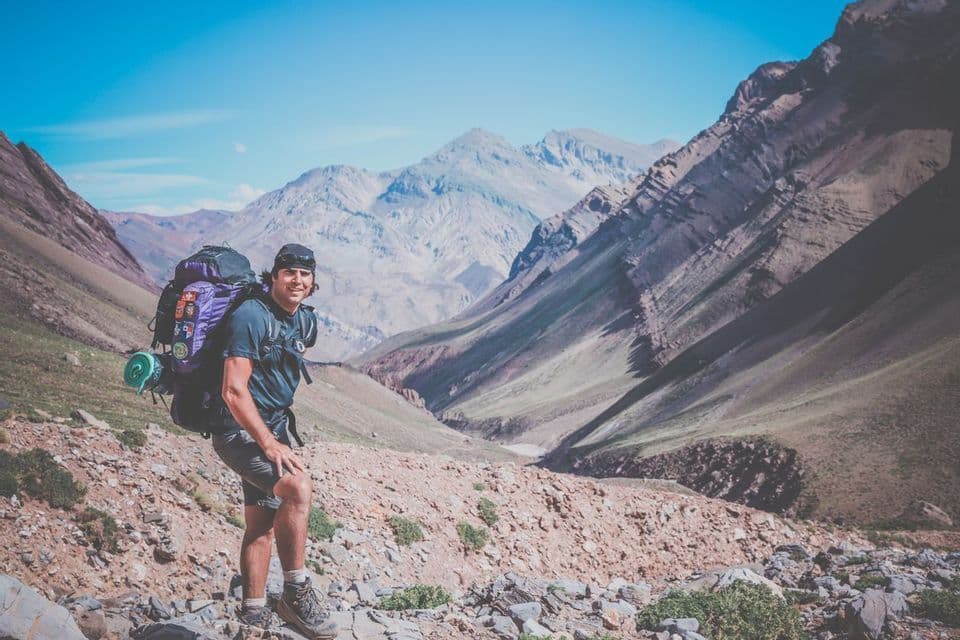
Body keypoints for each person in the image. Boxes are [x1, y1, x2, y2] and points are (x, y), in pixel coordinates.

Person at [211, 243, 337, 639]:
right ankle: (295, 592)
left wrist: (274, 437)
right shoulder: (251, 316)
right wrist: (267, 442)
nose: (297, 280)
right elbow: (233, 391)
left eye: (305, 274)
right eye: (289, 272)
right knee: (297, 489)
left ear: (313, 281)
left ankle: (252, 617)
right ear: (274, 276)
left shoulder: (304, 321)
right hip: (238, 432)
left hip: (273, 431)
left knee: (261, 524)